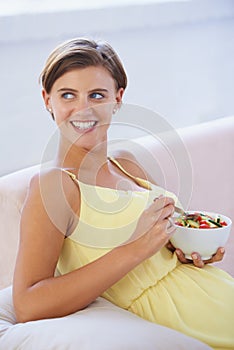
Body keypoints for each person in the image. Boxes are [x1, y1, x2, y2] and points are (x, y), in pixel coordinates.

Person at [13, 37, 234, 349]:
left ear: (117, 98)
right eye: (68, 95)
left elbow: (168, 244)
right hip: (184, 318)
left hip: (218, 293)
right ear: (47, 100)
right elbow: (27, 304)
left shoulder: (128, 163)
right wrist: (135, 248)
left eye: (97, 95)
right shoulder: (54, 185)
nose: (83, 109)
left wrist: (191, 249)